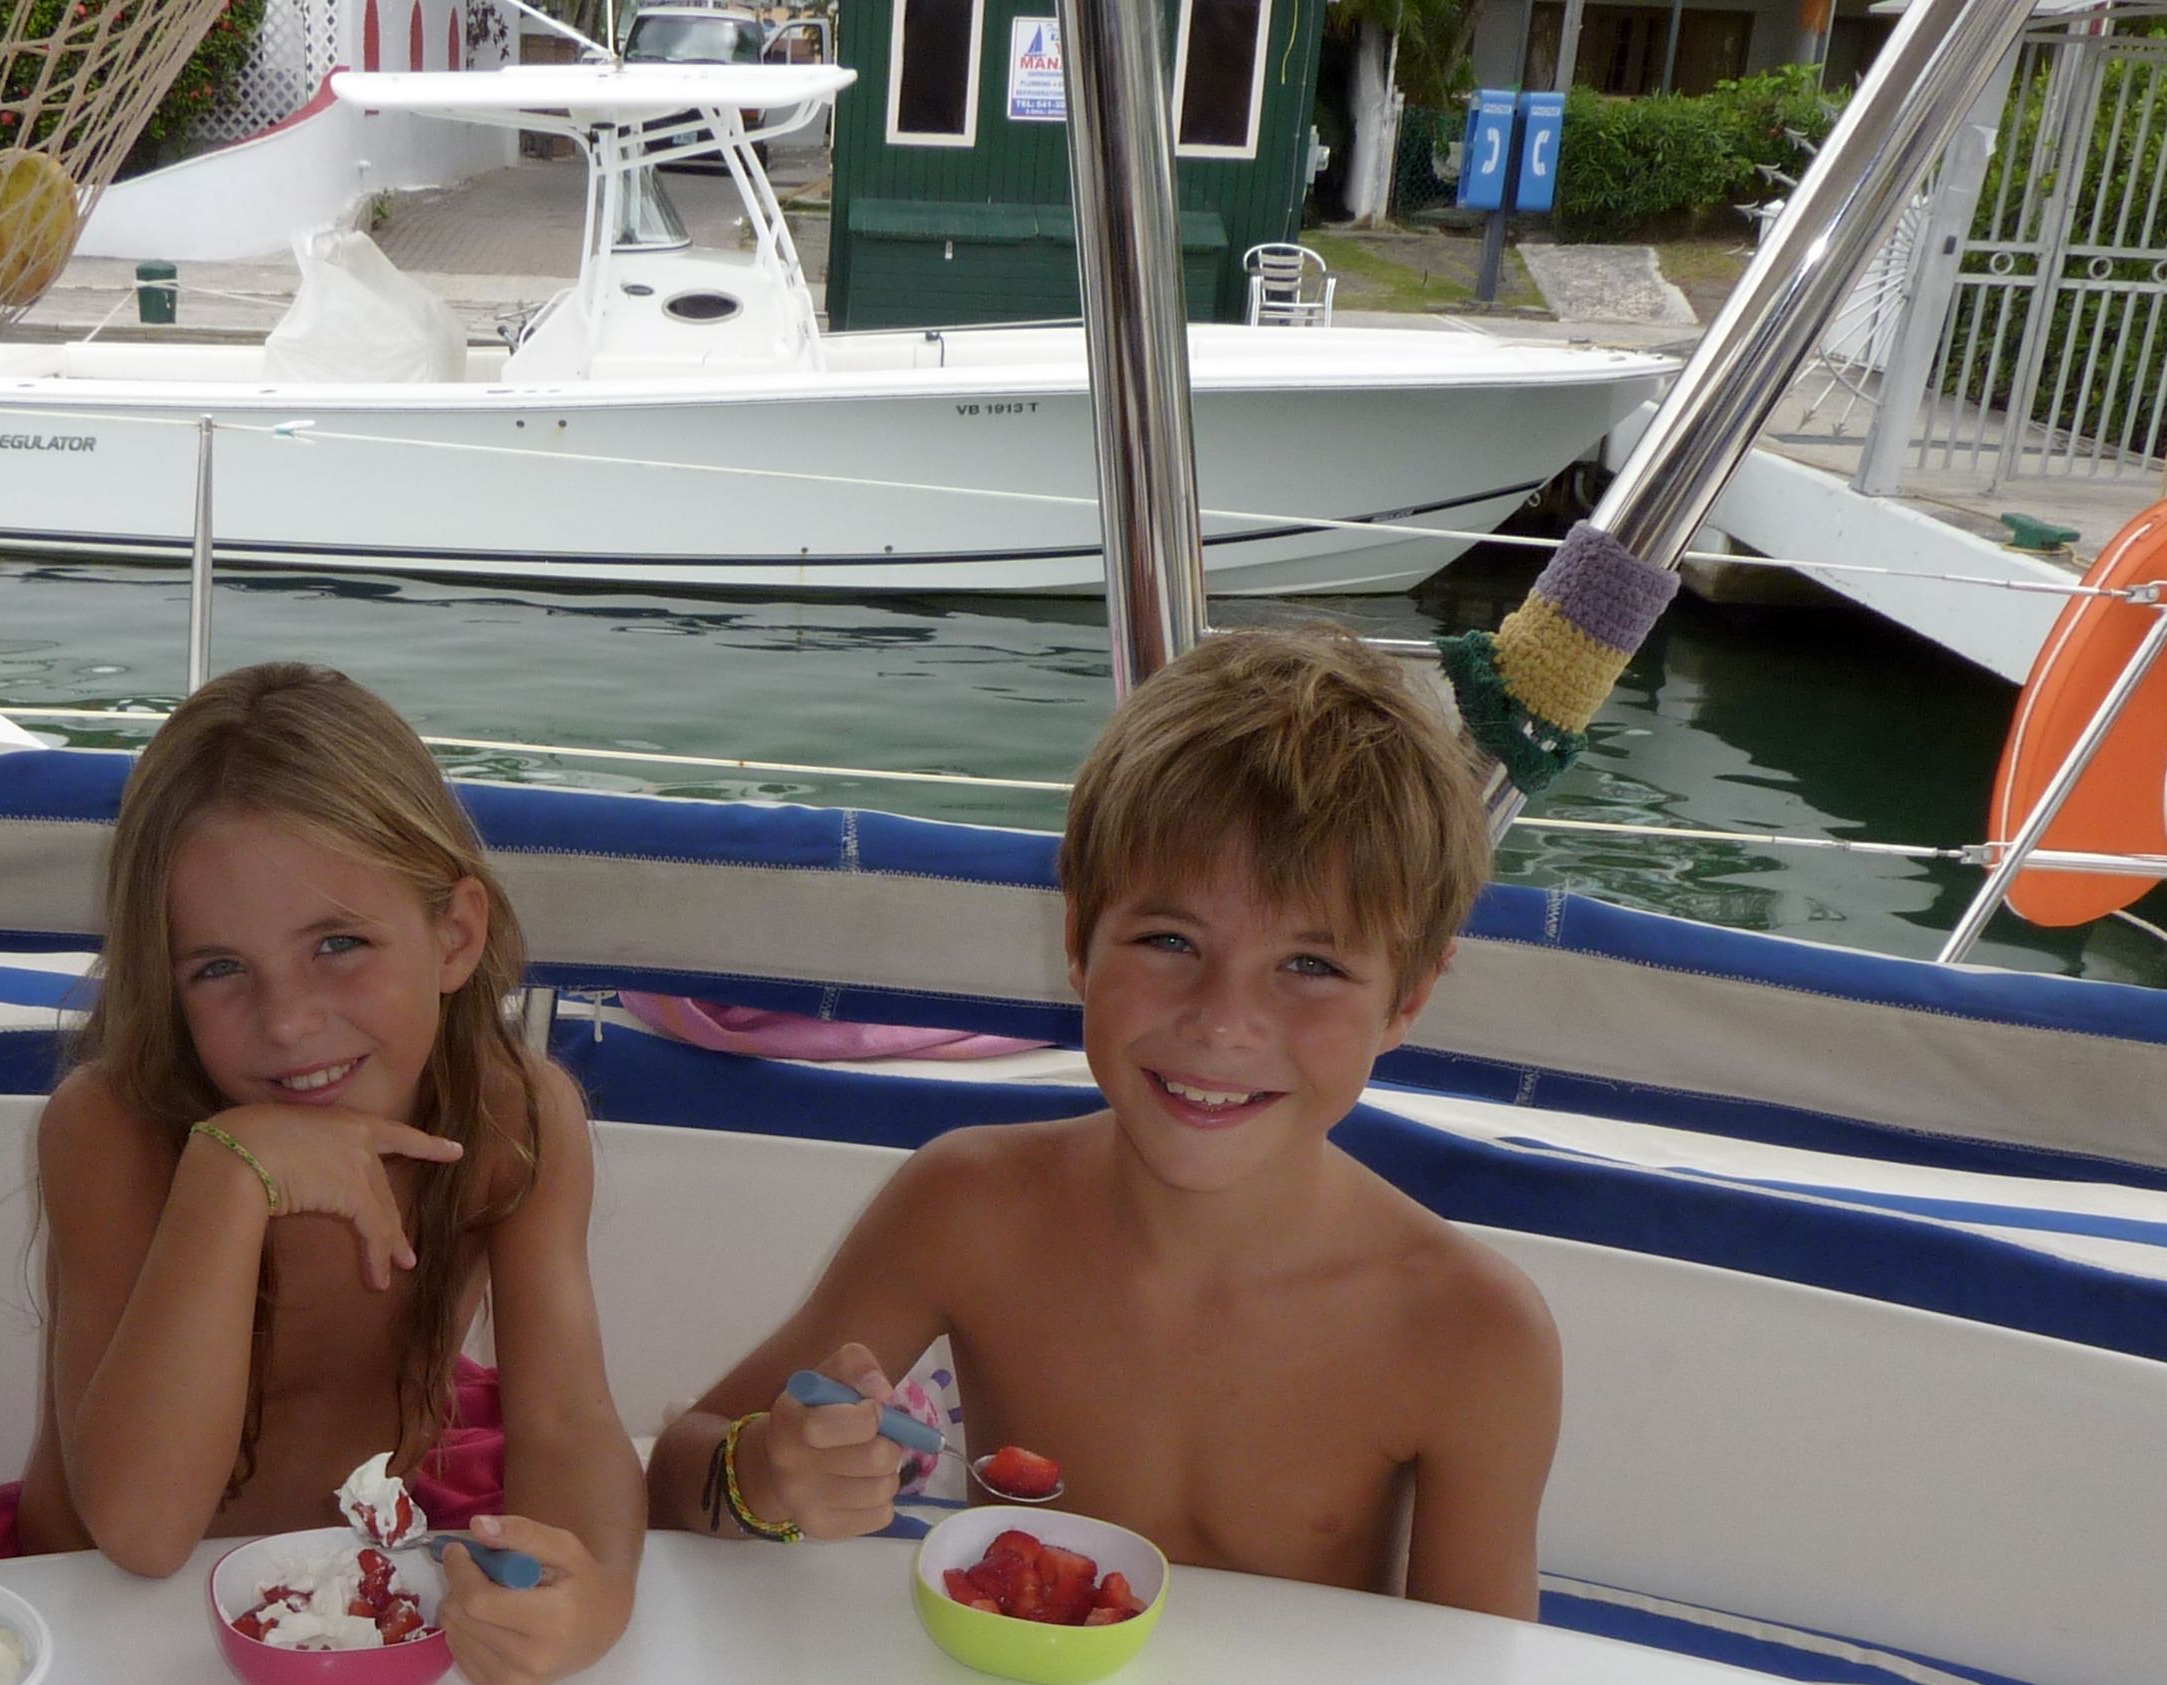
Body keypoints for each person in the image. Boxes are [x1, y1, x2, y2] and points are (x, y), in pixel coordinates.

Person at [645, 626, 1560, 1617]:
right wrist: (768, 1478)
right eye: (1170, 940)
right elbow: (675, 1474)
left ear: (1408, 999)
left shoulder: (1471, 1334)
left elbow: (1482, 1681)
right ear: (1080, 937)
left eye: (1311, 964)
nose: (1222, 1021)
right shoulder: (966, 1209)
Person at [21, 663, 642, 1685]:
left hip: (350, 1602)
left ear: (455, 936)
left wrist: (596, 1599)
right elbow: (139, 1531)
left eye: (338, 944)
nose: (287, 1021)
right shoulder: (113, 1130)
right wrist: (228, 1179)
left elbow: (567, 1423)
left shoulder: (512, 1119)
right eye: (219, 968)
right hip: (95, 1620)